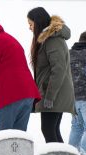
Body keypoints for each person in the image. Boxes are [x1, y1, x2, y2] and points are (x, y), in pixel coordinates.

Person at [27, 7, 75, 143]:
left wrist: (50, 96)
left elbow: (58, 69)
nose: (29, 28)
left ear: (38, 22)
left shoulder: (53, 40)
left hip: (54, 93)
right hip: (51, 91)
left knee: (48, 129)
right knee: (52, 129)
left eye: (31, 24)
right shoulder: (47, 39)